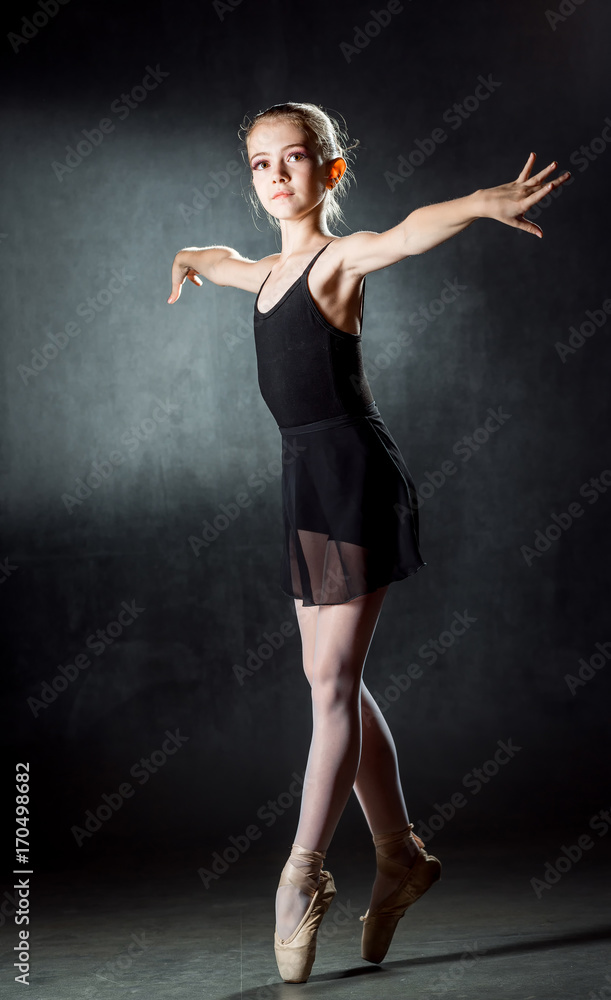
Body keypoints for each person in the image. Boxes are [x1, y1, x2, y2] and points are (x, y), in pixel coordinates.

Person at [168, 101, 570, 983]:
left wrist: (473, 202)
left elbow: (403, 235)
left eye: (296, 159)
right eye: (259, 164)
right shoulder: (268, 272)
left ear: (331, 171)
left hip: (353, 479)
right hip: (306, 486)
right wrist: (188, 258)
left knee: (329, 683)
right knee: (334, 681)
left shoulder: (335, 262)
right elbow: (223, 262)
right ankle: (399, 855)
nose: (276, 176)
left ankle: (302, 875)